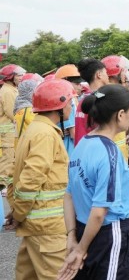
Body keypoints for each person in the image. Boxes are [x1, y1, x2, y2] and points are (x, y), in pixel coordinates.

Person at [60, 84, 129, 280]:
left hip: (82, 229)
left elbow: (69, 194)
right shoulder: (110, 152)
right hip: (109, 233)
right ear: (120, 115)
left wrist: (72, 237)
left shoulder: (83, 143)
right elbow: (100, 211)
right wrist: (80, 249)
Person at [7, 79, 72, 279]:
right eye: (70, 101)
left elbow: (15, 174)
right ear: (59, 106)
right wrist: (18, 213)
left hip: (36, 225)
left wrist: (18, 211)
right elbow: (30, 179)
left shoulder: (36, 129)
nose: (71, 106)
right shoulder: (46, 135)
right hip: (47, 228)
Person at [1, 64, 27, 191]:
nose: (21, 77)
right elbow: (12, 113)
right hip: (7, 134)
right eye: (18, 75)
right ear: (11, 77)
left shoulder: (11, 90)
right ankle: (4, 186)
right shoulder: (8, 92)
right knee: (8, 159)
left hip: (10, 132)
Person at [74, 59, 109, 146]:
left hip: (81, 150)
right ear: (99, 75)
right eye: (106, 72)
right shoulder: (100, 98)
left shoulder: (84, 99)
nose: (108, 76)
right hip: (94, 151)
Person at [54, 65, 82, 157]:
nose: (80, 86)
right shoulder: (69, 101)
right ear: (65, 82)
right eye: (77, 83)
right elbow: (74, 134)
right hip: (69, 149)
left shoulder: (58, 99)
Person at [13, 79, 38, 147]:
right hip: (27, 149)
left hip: (19, 148)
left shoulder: (19, 107)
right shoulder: (29, 111)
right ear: (30, 93)